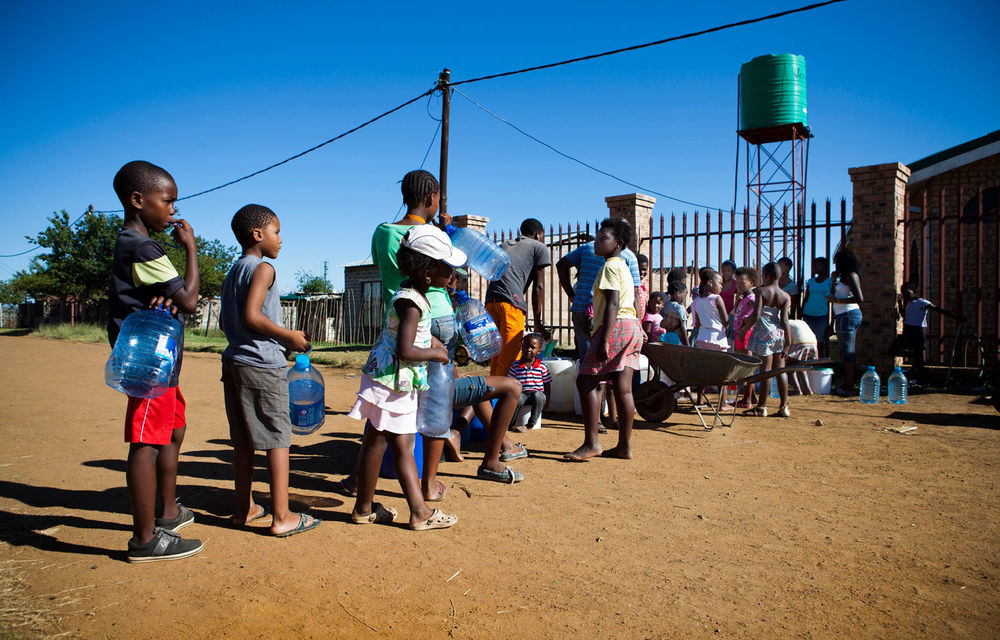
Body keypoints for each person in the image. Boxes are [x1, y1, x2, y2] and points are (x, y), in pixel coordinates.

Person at [108, 161, 203, 562]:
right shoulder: (143, 246)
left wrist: (167, 297)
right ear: (137, 200)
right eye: (167, 202)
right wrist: (191, 249)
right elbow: (189, 300)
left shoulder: (134, 244)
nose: (172, 210)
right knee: (147, 443)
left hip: (161, 360)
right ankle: (145, 540)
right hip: (148, 365)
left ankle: (167, 512)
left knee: (174, 430)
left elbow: (168, 297)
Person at [347, 228, 460, 530]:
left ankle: (364, 509)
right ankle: (420, 512)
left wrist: (433, 342)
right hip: (394, 382)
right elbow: (406, 350)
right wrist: (436, 354)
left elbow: (407, 337)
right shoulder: (412, 302)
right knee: (403, 446)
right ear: (427, 272)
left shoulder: (411, 295)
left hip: (385, 379)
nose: (452, 272)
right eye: (446, 266)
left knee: (376, 442)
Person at [219, 204, 320, 537]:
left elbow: (231, 322)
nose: (281, 239)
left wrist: (278, 341)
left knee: (244, 440)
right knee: (278, 439)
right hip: (263, 366)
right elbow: (252, 316)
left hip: (235, 362)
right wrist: (289, 336)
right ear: (258, 235)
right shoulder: (263, 269)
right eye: (277, 232)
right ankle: (282, 517)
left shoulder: (232, 271)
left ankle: (244, 509)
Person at [565, 218, 642, 461]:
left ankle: (591, 443)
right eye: (597, 238)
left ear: (618, 243)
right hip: (631, 326)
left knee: (586, 380)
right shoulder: (625, 266)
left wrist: (605, 338)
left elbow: (613, 303)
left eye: (602, 239)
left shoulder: (609, 267)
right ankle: (624, 447)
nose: (596, 243)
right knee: (623, 388)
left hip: (615, 326)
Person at [485, 218, 551, 377]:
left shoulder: (505, 244)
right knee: (509, 360)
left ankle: (493, 398)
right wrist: (537, 322)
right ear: (538, 234)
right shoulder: (539, 247)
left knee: (496, 357)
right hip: (510, 304)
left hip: (490, 301)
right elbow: (539, 287)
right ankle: (504, 399)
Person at [744, 263, 792, 417]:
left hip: (764, 333)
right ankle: (784, 406)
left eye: (763, 274)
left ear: (768, 276)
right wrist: (788, 341)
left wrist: (743, 331)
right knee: (780, 369)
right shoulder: (785, 296)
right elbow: (784, 320)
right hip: (778, 333)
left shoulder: (761, 291)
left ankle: (761, 407)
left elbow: (756, 315)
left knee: (766, 369)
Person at [890, 282, 960, 385]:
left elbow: (938, 310)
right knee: (893, 349)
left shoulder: (922, 302)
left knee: (919, 361)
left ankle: (920, 380)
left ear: (914, 292)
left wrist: (956, 317)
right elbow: (905, 315)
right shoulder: (908, 303)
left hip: (917, 332)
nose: (905, 295)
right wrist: (900, 303)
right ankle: (914, 357)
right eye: (903, 293)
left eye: (907, 293)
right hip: (907, 331)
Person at [828, 248, 864, 396]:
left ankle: (850, 386)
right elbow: (834, 293)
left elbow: (859, 298)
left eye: (837, 261)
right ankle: (847, 383)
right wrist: (833, 281)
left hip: (848, 315)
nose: (835, 264)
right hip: (843, 316)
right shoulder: (841, 277)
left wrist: (837, 300)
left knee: (848, 351)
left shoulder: (851, 276)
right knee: (845, 351)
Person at [691, 269, 730, 406]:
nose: (721, 286)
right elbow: (726, 322)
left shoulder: (696, 301)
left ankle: (700, 400)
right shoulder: (717, 299)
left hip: (702, 338)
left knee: (703, 370)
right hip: (717, 339)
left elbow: (698, 323)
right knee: (721, 371)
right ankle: (723, 403)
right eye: (719, 283)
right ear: (709, 283)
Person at [506, 333, 551, 432]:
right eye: (526, 346)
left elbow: (547, 384)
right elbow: (510, 382)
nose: (528, 349)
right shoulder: (516, 365)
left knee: (538, 396)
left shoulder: (542, 366)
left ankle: (530, 424)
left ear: (538, 351)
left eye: (533, 347)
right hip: (522, 394)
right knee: (518, 398)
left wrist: (547, 400)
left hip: (537, 395)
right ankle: (511, 424)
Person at [731, 266, 758, 409]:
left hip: (745, 333)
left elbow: (757, 311)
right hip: (740, 332)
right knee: (746, 365)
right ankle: (752, 397)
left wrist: (747, 324)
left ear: (752, 283)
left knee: (748, 367)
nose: (739, 286)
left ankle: (747, 399)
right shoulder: (744, 298)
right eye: (737, 283)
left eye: (742, 283)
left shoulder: (751, 298)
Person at [802, 257, 832, 358]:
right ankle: (807, 365)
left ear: (823, 266)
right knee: (806, 341)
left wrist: (832, 324)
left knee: (819, 343)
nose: (813, 267)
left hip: (821, 316)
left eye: (816, 265)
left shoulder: (829, 282)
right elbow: (806, 297)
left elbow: (833, 302)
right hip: (807, 314)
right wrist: (801, 312)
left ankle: (818, 366)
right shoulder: (811, 281)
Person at [786, 319, 819, 395]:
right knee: (800, 365)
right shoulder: (800, 322)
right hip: (813, 343)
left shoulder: (785, 324)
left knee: (789, 366)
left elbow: (787, 342)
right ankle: (808, 389)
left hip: (800, 342)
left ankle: (797, 390)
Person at [636, 254, 650, 318]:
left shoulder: (642, 286)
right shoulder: (632, 285)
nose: (642, 272)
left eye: (644, 269)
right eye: (639, 269)